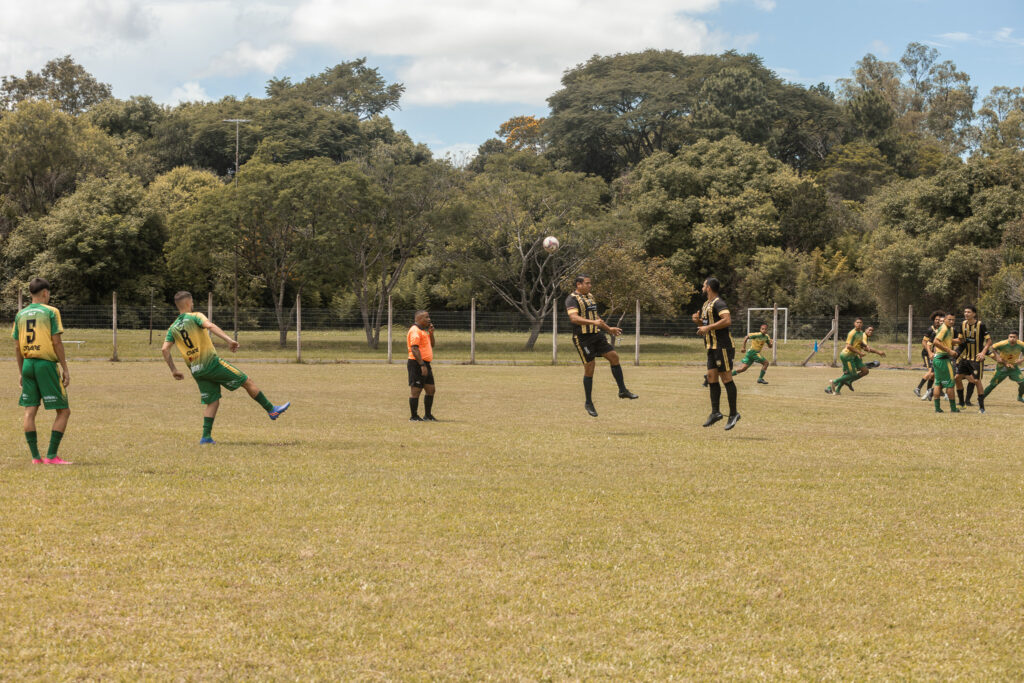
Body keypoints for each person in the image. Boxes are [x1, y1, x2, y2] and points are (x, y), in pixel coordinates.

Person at [161, 291, 289, 443]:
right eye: (193, 302)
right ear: (189, 303)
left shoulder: (173, 327)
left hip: (196, 370)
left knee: (212, 401)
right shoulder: (196, 316)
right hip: (212, 364)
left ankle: (206, 437)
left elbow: (165, 349)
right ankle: (271, 410)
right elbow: (210, 326)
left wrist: (174, 370)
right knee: (247, 381)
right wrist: (230, 340)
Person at [13, 278, 71, 464]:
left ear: (31, 294)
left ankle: (35, 458)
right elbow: (56, 342)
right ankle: (52, 456)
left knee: (30, 411)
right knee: (63, 411)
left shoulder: (20, 315)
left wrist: (22, 372)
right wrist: (65, 368)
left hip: (28, 363)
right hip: (45, 364)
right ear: (45, 293)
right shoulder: (51, 312)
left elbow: (16, 347)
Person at [565, 275, 637, 418]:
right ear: (578, 284)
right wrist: (593, 323)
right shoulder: (571, 299)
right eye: (587, 283)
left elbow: (596, 317)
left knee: (614, 357)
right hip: (582, 338)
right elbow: (574, 318)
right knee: (590, 367)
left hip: (596, 335)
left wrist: (609, 329)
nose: (590, 285)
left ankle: (622, 390)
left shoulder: (590, 297)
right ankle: (589, 402)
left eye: (590, 283)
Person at [695, 277, 739, 429]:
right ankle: (715, 413)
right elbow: (707, 325)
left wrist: (707, 328)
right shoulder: (706, 304)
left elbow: (727, 321)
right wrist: (699, 323)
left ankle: (733, 413)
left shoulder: (719, 302)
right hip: (711, 347)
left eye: (703, 285)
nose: (702, 287)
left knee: (726, 378)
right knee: (712, 378)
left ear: (708, 287)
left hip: (723, 346)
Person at [825, 318, 885, 395]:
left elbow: (860, 344)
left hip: (854, 356)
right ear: (854, 324)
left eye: (860, 322)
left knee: (865, 371)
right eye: (857, 322)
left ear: (862, 324)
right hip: (847, 356)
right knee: (850, 374)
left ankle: (844, 385)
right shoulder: (852, 333)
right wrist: (861, 353)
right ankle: (834, 383)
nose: (859, 324)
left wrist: (865, 346)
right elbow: (849, 346)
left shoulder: (860, 333)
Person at [954, 305, 990, 412]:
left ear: (974, 314)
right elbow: (960, 340)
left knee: (976, 381)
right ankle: (961, 403)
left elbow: (989, 341)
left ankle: (982, 408)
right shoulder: (963, 324)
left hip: (976, 359)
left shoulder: (980, 325)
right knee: (957, 378)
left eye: (968, 312)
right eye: (965, 312)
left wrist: (983, 352)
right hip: (965, 358)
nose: (966, 314)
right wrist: (946, 341)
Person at [407, 310, 438, 422]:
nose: (429, 319)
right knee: (416, 390)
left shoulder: (423, 331)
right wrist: (422, 365)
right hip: (417, 363)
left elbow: (432, 345)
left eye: (428, 317)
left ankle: (428, 415)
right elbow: (414, 349)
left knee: (431, 389)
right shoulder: (415, 331)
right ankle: (414, 416)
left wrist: (431, 333)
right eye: (426, 317)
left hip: (425, 364)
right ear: (419, 319)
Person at [979, 332, 1024, 404]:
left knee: (1022, 383)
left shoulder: (1021, 345)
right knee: (993, 385)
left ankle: (1020, 397)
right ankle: (981, 399)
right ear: (1008, 337)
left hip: (1013, 368)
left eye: (1014, 337)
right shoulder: (1003, 343)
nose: (1012, 338)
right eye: (1011, 337)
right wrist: (997, 356)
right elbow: (993, 347)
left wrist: (1020, 360)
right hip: (1002, 367)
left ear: (1017, 338)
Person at [929, 311, 960, 413]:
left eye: (953, 320)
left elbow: (949, 341)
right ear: (945, 319)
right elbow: (936, 342)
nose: (951, 321)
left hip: (937, 359)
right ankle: (953, 408)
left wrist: (961, 341)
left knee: (938, 383)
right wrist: (949, 350)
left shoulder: (949, 329)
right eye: (949, 319)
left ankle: (937, 408)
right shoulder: (944, 328)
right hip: (943, 359)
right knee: (950, 384)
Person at [915, 311, 944, 400]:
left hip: (936, 354)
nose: (938, 321)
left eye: (939, 320)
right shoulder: (930, 329)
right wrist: (930, 352)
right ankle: (919, 388)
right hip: (927, 354)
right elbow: (924, 342)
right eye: (936, 319)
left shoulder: (942, 330)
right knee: (931, 372)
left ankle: (932, 391)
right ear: (933, 320)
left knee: (934, 373)